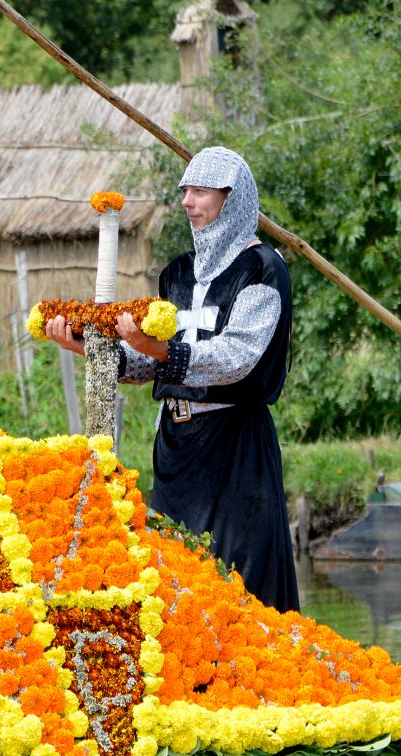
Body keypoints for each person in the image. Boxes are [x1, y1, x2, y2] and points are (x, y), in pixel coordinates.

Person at [41, 146, 298, 611]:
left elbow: (237, 357)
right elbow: (155, 363)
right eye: (185, 190)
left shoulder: (263, 268)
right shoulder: (176, 274)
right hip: (178, 446)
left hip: (234, 440)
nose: (187, 201)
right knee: (177, 573)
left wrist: (160, 350)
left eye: (200, 191)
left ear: (232, 198)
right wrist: (95, 350)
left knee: (242, 580)